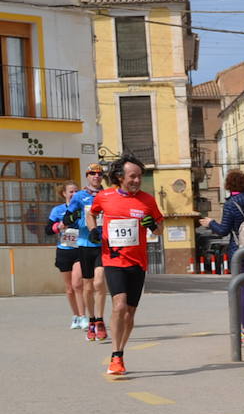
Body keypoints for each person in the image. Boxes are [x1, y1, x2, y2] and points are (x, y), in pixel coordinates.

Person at [88, 154, 163, 376]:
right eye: (133, 176)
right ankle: (116, 354)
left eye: (139, 176)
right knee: (119, 306)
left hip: (137, 262)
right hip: (112, 259)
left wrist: (152, 226)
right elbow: (91, 214)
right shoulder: (105, 196)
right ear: (120, 177)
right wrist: (93, 230)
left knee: (130, 312)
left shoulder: (147, 200)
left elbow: (159, 229)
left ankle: (121, 351)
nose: (137, 181)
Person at [200, 170, 244, 343]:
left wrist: (210, 223)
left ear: (229, 185)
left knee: (242, 290)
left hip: (238, 251)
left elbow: (223, 230)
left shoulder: (230, 204)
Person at [71, 164, 108, 342]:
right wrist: (70, 219)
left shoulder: (107, 195)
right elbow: (70, 216)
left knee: (99, 282)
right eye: (92, 173)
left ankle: (100, 320)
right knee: (87, 285)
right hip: (85, 243)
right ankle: (91, 319)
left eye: (99, 174)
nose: (96, 176)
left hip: (103, 244)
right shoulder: (79, 196)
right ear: (87, 176)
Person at [49, 182, 86, 330]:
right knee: (69, 288)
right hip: (64, 249)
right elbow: (47, 229)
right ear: (64, 193)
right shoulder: (58, 210)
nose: (74, 194)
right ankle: (76, 316)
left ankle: (84, 317)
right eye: (71, 191)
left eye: (77, 191)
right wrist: (59, 226)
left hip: (81, 248)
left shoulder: (83, 208)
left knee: (78, 284)